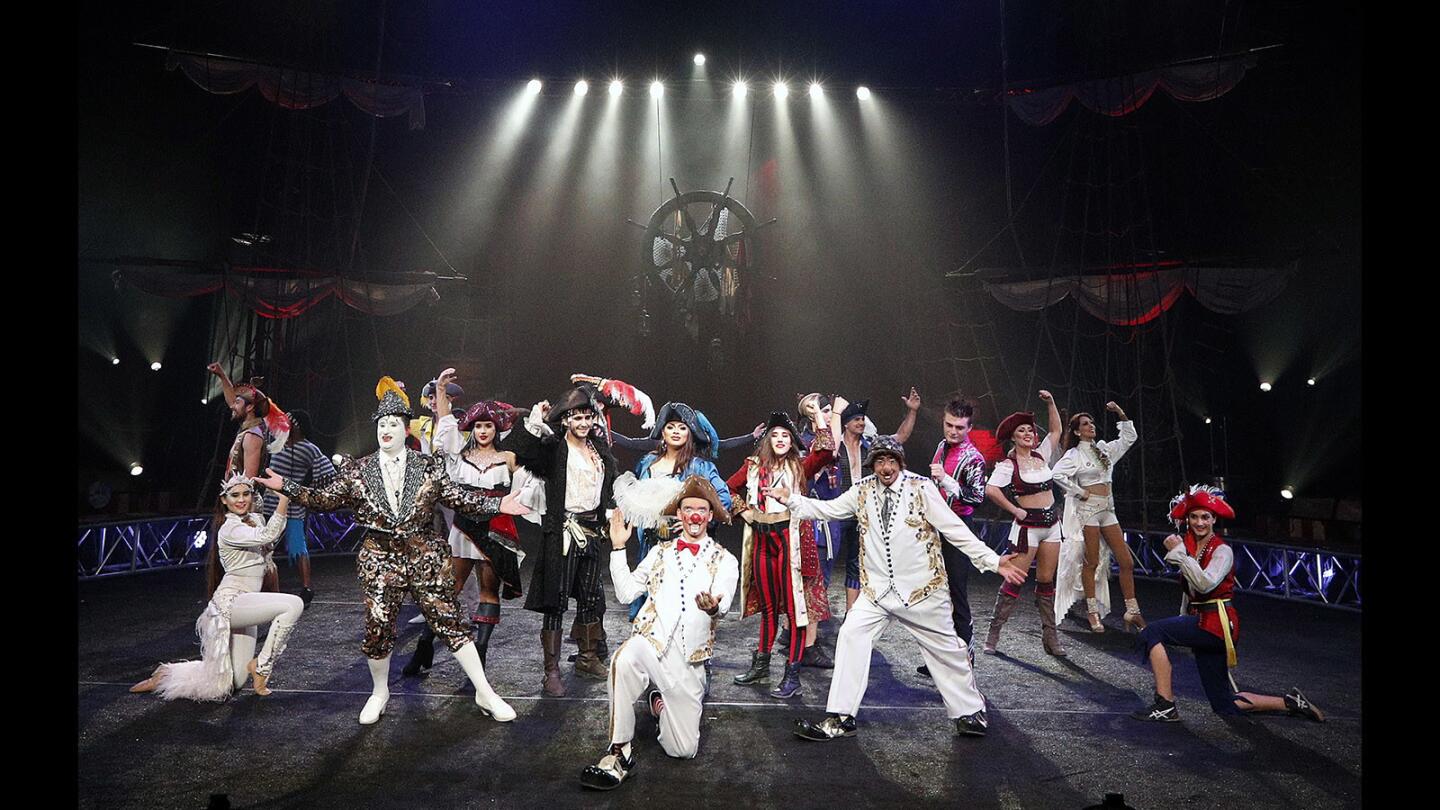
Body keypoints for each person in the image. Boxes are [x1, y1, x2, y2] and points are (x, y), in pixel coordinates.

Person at [254, 380, 522, 724]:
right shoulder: (359, 470)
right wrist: (288, 487)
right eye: (382, 424)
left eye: (394, 423)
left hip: (423, 553)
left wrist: (500, 503)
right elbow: (325, 500)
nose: (386, 429)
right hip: (380, 558)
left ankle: (484, 690)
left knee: (451, 621)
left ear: (405, 427)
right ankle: (379, 690)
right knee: (378, 627)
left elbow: (457, 496)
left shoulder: (427, 466)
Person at [772, 436, 1029, 740]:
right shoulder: (863, 490)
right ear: (873, 465)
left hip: (922, 591)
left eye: (891, 461)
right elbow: (828, 510)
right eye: (880, 461)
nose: (886, 467)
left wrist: (993, 560)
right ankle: (841, 717)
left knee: (947, 651)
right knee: (851, 636)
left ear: (900, 463)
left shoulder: (921, 488)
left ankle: (970, 713)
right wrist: (791, 499)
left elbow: (955, 529)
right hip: (877, 593)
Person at [579, 476, 740, 790]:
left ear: (709, 516)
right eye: (688, 508)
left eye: (701, 509)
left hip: (688, 662)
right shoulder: (659, 553)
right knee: (622, 661)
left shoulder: (725, 560)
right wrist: (618, 547)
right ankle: (619, 753)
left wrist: (712, 607)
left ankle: (659, 701)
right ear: (679, 515)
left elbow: (723, 601)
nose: (694, 515)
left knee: (682, 750)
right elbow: (626, 593)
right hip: (651, 643)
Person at [1132, 485, 1325, 724]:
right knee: (1224, 704)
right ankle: (1290, 702)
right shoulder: (1193, 547)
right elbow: (1190, 593)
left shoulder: (1222, 551)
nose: (1199, 522)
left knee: (1153, 632)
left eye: (1205, 517)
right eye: (1194, 516)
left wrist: (1180, 554)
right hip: (1201, 622)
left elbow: (1205, 585)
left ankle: (1165, 705)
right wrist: (1183, 619)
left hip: (1216, 624)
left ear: (1214, 519)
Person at [130, 474, 304, 700]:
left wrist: (265, 486)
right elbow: (268, 534)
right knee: (293, 605)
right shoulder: (229, 529)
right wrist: (284, 498)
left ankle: (166, 674)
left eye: (245, 494)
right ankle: (262, 667)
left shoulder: (254, 519)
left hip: (248, 603)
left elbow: (265, 527)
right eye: (234, 496)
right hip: (231, 603)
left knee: (233, 682)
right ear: (224, 500)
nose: (240, 500)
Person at [402, 369, 527, 676]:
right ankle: (424, 645)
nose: (484, 431)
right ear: (472, 428)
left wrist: (534, 419)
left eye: (488, 426)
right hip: (465, 526)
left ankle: (479, 658)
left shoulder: (508, 457)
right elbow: (444, 423)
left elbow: (532, 469)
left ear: (496, 429)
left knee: (487, 592)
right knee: (449, 589)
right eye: (479, 426)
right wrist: (441, 390)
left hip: (496, 529)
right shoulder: (461, 453)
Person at [500, 383, 620, 697]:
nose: (583, 423)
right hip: (563, 533)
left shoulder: (598, 450)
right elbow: (520, 450)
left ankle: (588, 657)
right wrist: (533, 423)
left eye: (587, 417)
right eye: (577, 418)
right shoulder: (554, 449)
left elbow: (605, 488)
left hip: (592, 532)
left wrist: (610, 514)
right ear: (565, 420)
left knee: (592, 598)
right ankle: (550, 672)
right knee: (556, 602)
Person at [725, 412, 836, 699]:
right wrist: (745, 512)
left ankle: (792, 675)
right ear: (766, 440)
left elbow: (824, 452)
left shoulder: (799, 467)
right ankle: (761, 665)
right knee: (769, 607)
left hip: (790, 540)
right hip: (762, 539)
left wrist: (818, 418)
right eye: (775, 435)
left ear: (792, 441)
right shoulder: (753, 467)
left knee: (795, 608)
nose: (780, 440)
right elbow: (728, 488)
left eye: (785, 435)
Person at [612, 401, 733, 621]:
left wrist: (694, 523)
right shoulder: (648, 462)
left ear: (690, 433)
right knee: (650, 607)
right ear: (662, 432)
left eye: (682, 427)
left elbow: (723, 499)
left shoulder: (699, 466)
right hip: (650, 542)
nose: (676, 432)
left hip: (682, 542)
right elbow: (639, 496)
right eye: (671, 427)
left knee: (680, 607)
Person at [982, 390, 1067, 656]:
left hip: (1051, 525)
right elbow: (991, 490)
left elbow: (1056, 431)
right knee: (1016, 579)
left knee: (1045, 579)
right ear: (1014, 437)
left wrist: (1051, 403)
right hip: (1027, 528)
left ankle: (1050, 639)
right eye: (1022, 431)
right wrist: (1014, 509)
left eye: (1030, 430)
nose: (1028, 434)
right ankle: (993, 634)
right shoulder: (1009, 464)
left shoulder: (1041, 455)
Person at [1052, 401, 1144, 632]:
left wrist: (1120, 413)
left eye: (1091, 422)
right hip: (1089, 511)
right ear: (1076, 431)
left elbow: (1128, 439)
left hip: (1108, 509)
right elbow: (1056, 474)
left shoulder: (1104, 449)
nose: (1091, 426)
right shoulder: (1074, 454)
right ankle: (1092, 612)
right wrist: (1080, 492)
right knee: (1091, 561)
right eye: (1085, 424)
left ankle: (1132, 611)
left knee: (1126, 561)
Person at [916, 396, 989, 678]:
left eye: (960, 427)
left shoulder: (974, 458)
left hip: (958, 528)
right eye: (949, 425)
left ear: (969, 428)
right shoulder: (941, 446)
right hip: (935, 527)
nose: (953, 431)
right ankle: (939, 659)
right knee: (934, 594)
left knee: (956, 593)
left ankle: (963, 660)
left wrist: (947, 479)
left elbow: (976, 497)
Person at [831, 389, 922, 613]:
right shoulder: (836, 446)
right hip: (836, 510)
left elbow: (899, 438)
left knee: (856, 564)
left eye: (863, 419)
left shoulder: (869, 445)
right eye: (856, 419)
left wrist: (911, 412)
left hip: (862, 511)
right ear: (845, 423)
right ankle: (813, 621)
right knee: (826, 562)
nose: (861, 422)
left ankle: (851, 615)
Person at [259, 408, 337, 605]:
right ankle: (264, 587)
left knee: (298, 547)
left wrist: (308, 492)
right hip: (270, 504)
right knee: (265, 546)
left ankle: (306, 587)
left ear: (298, 425)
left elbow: (327, 472)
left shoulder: (309, 449)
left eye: (290, 422)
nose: (286, 424)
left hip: (293, 506)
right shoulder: (277, 443)